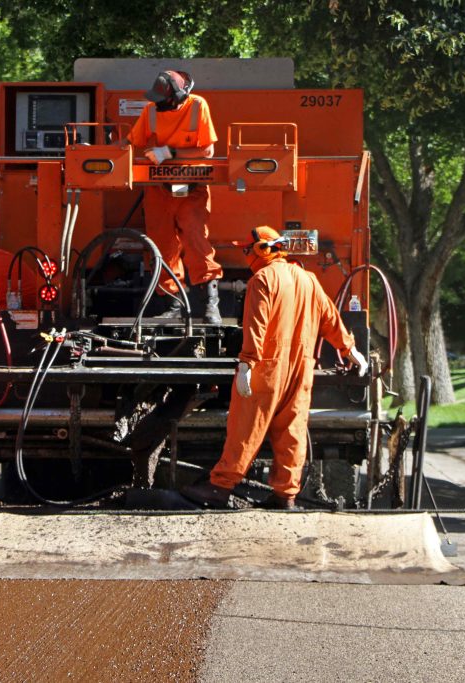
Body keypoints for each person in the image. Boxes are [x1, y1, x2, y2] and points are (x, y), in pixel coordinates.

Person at [181, 226, 369, 510]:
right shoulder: (309, 280)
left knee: (246, 428)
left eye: (247, 250)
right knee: (292, 431)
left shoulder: (263, 279)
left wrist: (246, 363)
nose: (245, 255)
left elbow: (256, 327)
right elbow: (330, 317)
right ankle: (286, 496)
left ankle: (219, 488)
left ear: (262, 250)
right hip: (301, 370)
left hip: (267, 369)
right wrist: (350, 349)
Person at [126, 69, 222, 324]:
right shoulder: (150, 111)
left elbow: (207, 152)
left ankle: (210, 304)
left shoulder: (197, 106)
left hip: (190, 188)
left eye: (164, 101)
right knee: (162, 246)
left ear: (179, 96)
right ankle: (173, 304)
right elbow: (132, 143)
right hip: (159, 189)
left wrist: (169, 152)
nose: (159, 105)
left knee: (196, 241)